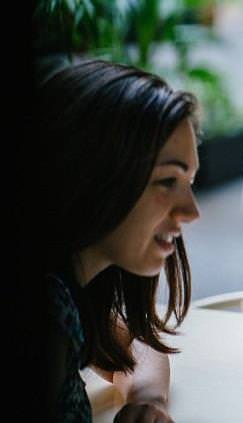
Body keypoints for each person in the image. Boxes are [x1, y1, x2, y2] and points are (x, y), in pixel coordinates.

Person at [34, 60, 201, 422]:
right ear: (97, 176)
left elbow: (132, 344)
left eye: (189, 181)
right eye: (168, 182)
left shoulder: (72, 294)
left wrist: (146, 402)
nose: (191, 211)